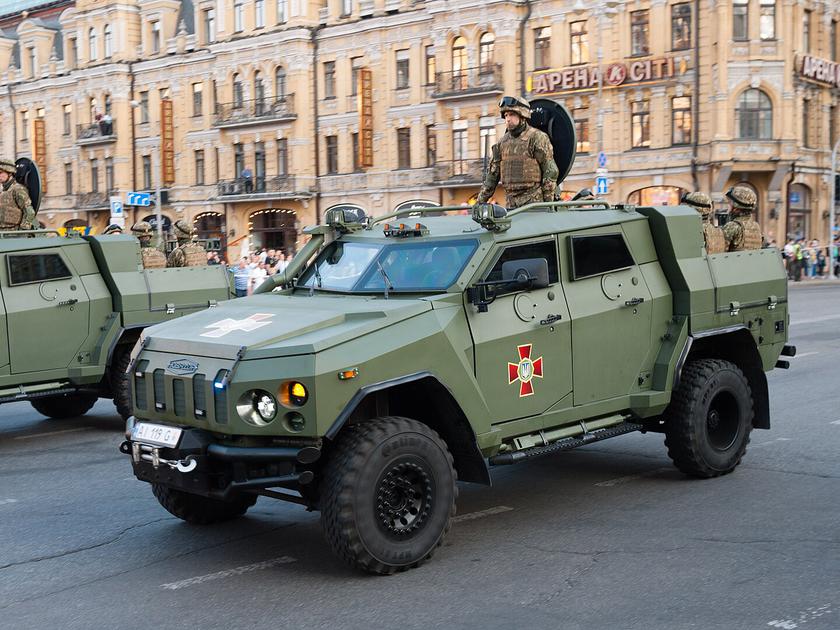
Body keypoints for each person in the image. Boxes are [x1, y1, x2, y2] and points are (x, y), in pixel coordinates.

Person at [476, 96, 559, 210]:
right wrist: (479, 203)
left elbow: (550, 171)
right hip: (511, 205)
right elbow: (492, 176)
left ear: (522, 116)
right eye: (506, 115)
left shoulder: (537, 138)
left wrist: (549, 205)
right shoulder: (501, 143)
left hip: (534, 204)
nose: (508, 119)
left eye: (512, 114)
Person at [723, 186, 762, 252]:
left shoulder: (732, 226)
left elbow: (720, 253)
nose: (728, 206)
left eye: (729, 203)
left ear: (736, 207)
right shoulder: (756, 226)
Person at [0, 159, 36, 231]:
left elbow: (29, 212)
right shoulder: (3, 191)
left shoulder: (18, 189)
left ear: (10, 173)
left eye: (0, 173)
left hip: (14, 234)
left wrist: (23, 231)